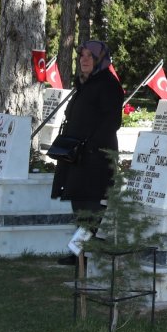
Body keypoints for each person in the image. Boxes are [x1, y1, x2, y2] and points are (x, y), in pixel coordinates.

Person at [50, 40, 124, 265]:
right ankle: (79, 253)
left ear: (100, 59)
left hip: (95, 157)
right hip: (78, 156)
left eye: (89, 56)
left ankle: (80, 253)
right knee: (79, 204)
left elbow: (111, 122)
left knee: (91, 206)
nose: (83, 60)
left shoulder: (108, 85)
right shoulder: (85, 83)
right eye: (81, 55)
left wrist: (89, 146)